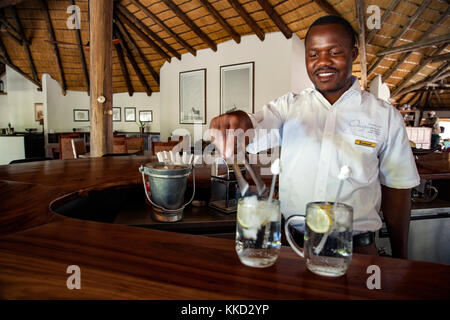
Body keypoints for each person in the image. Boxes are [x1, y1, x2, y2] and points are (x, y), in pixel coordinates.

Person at [209, 15, 420, 259]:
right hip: (291, 247)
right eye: (313, 54)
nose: (323, 62)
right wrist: (239, 120)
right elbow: (254, 129)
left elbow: (398, 190)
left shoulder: (385, 116)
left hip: (357, 251)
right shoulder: (289, 106)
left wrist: (401, 258)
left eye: (334, 52)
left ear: (353, 53)